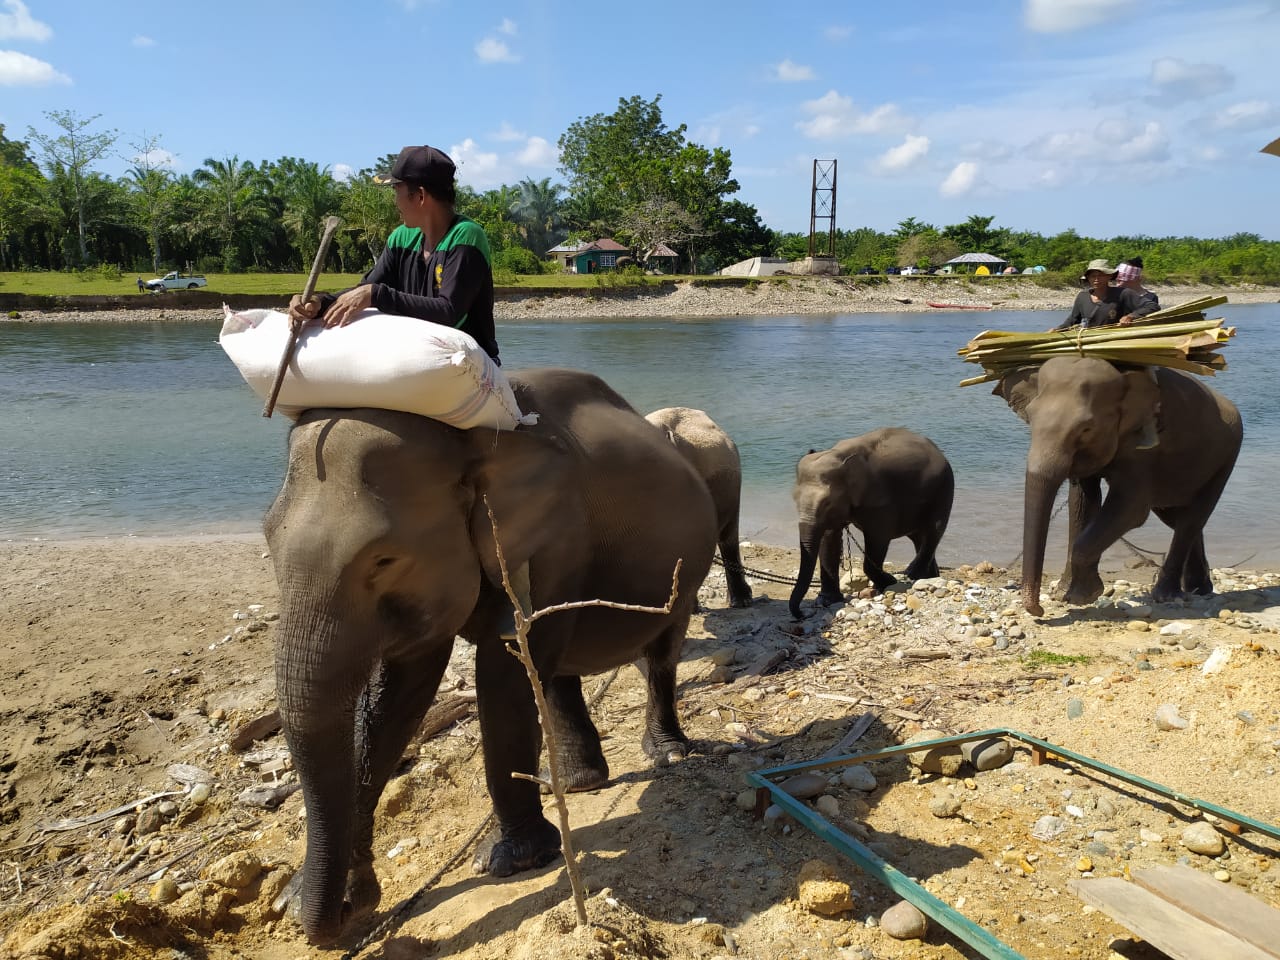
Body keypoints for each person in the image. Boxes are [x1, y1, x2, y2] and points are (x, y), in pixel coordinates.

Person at [287, 144, 499, 364]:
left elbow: (448, 311)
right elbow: (362, 293)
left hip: (467, 365)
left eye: (396, 192)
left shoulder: (466, 236)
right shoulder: (402, 238)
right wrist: (319, 302)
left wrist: (377, 294)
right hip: (416, 360)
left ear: (420, 197)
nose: (395, 202)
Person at [1051, 259, 1143, 331]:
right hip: (1088, 340)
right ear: (1088, 278)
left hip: (1113, 340)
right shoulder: (1082, 296)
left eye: (1100, 275)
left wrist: (1130, 316)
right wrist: (1057, 329)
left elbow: (1151, 306)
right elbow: (1072, 320)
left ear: (1109, 276)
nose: (1096, 279)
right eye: (1093, 276)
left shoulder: (1123, 293)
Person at [1115, 257, 1159, 325]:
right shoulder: (1117, 293)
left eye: (1121, 280)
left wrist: (1131, 316)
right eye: (1117, 280)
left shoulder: (1151, 298)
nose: (1118, 284)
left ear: (1136, 279)